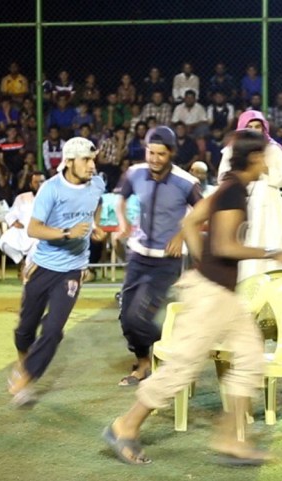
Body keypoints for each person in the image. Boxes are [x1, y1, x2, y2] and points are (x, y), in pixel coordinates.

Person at [103, 130, 282, 466]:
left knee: (251, 358)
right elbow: (224, 246)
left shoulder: (230, 187)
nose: (271, 161)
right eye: (267, 155)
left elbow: (190, 220)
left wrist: (198, 262)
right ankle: (125, 425)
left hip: (219, 292)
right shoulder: (234, 191)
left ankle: (230, 439)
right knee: (180, 369)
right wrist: (272, 253)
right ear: (254, 159)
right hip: (211, 296)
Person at [7, 137, 107, 406]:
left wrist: (93, 226)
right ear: (69, 161)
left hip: (72, 269)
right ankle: (22, 362)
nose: (91, 165)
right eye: (86, 160)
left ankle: (26, 379)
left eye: (93, 159)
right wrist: (67, 233)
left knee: (53, 329)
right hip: (43, 266)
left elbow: (95, 205)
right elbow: (34, 229)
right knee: (25, 329)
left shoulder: (97, 183)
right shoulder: (50, 189)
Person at [115, 126, 203, 386]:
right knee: (126, 318)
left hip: (166, 261)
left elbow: (202, 212)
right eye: (150, 152)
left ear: (172, 153)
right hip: (138, 255)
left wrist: (181, 235)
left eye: (160, 154)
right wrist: (123, 223)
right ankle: (144, 364)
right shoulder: (135, 173)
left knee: (137, 317)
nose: (154, 159)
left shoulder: (186, 182)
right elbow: (120, 198)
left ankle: (174, 350)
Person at [216, 110, 282, 280]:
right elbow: (222, 177)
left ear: (264, 128)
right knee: (244, 242)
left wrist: (266, 170)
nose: (253, 130)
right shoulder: (232, 149)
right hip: (241, 203)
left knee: (268, 241)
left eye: (257, 126)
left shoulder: (274, 149)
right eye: (249, 126)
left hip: (269, 206)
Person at [0, 171, 45, 278]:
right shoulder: (22, 197)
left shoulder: (52, 198)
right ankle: (20, 262)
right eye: (36, 182)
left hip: (40, 232)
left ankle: (28, 270)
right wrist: (14, 222)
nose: (39, 184)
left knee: (38, 244)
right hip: (22, 230)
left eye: (42, 182)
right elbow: (11, 214)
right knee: (4, 241)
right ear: (30, 184)